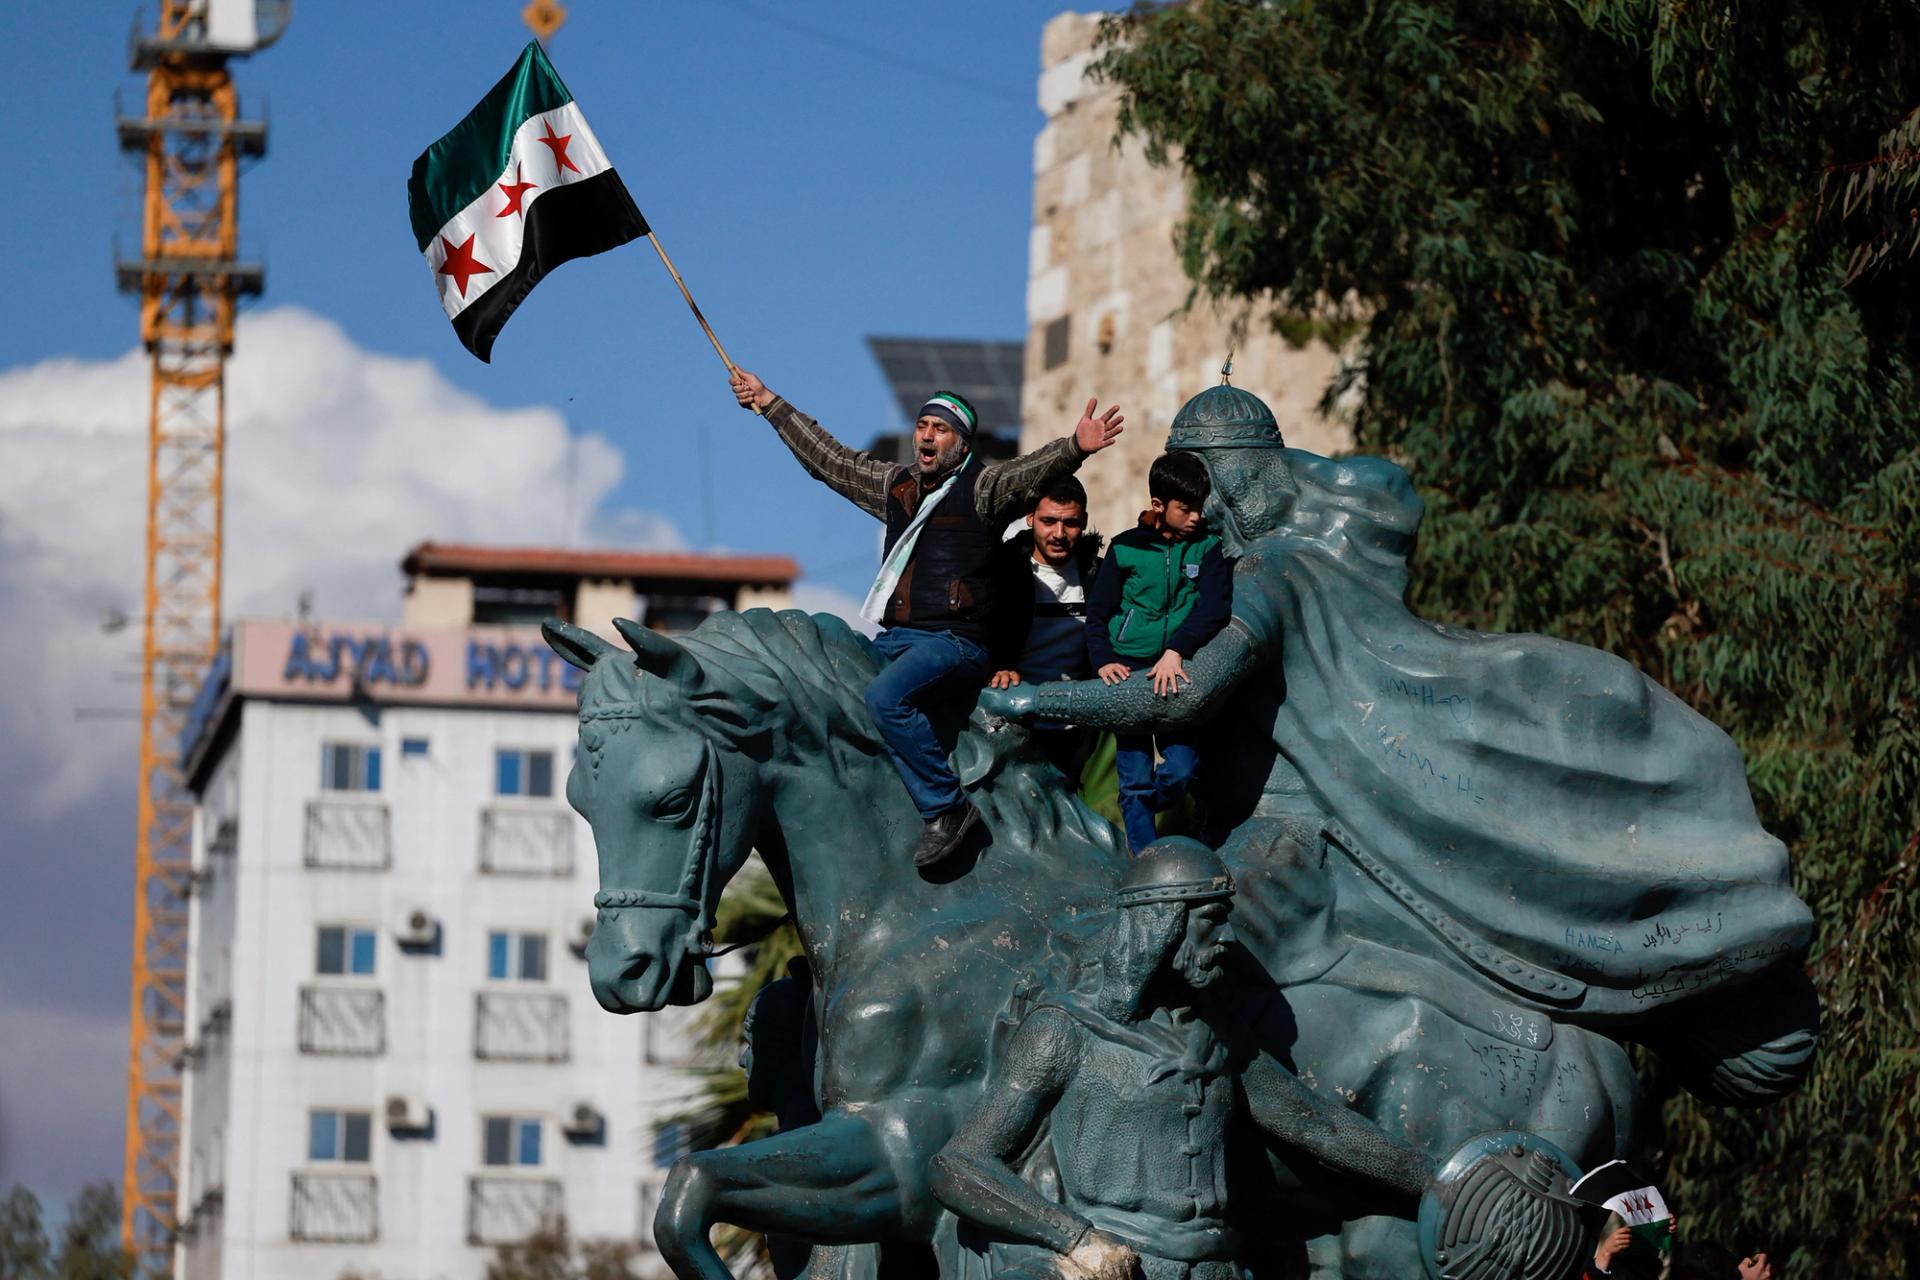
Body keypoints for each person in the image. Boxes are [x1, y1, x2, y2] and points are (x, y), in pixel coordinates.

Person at [928, 838, 1441, 1280]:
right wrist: (1075, 1239)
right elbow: (959, 1165)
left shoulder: (1221, 1038)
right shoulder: (1064, 1029)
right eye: (1211, 921)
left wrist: (1438, 1179)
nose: (1228, 939)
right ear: (1161, 926)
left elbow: (1316, 1125)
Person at [730, 367, 1123, 868]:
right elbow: (831, 461)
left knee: (884, 696)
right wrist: (769, 402)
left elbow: (1026, 473)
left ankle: (947, 809)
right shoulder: (898, 490)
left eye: (940, 429)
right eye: (922, 426)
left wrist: (1075, 448)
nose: (927, 436)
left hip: (955, 642)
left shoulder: (984, 488)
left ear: (961, 442)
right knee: (834, 691)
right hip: (897, 638)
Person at [1083, 450, 1230, 853]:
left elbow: (1213, 608)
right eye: (1186, 508)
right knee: (1133, 777)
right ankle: (1144, 859)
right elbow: (1098, 614)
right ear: (1158, 505)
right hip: (1127, 674)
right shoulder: (1125, 549)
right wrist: (1104, 660)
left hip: (1176, 673)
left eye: (1200, 507)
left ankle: (1141, 806)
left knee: (1183, 770)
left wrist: (1176, 650)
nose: (1196, 517)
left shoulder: (1208, 549)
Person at [987, 475, 1103, 781]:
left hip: (1077, 730)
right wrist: (998, 666)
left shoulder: (1100, 577)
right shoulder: (1004, 574)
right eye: (1048, 521)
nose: (1059, 534)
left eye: (1071, 523)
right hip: (1012, 722)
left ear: (1085, 521)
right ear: (1030, 518)